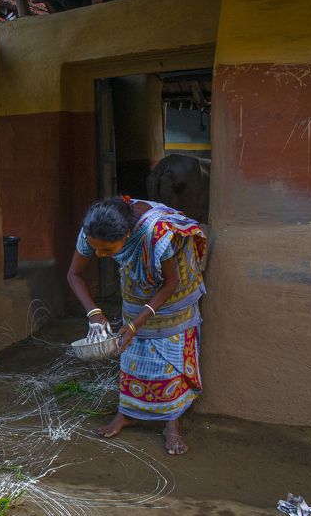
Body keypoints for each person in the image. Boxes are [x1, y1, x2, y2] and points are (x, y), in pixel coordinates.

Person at [66, 195, 207, 455]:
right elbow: (73, 275)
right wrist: (94, 313)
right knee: (132, 356)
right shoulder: (93, 229)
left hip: (173, 297)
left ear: (129, 234)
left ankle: (171, 423)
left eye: (107, 250)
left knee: (168, 361)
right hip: (136, 290)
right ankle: (127, 414)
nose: (99, 254)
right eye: (96, 248)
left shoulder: (156, 233)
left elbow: (170, 284)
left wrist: (136, 324)